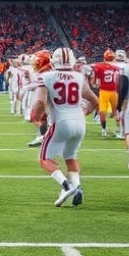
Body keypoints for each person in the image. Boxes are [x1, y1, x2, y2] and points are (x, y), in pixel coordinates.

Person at [31, 47, 98, 207]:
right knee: (70, 157)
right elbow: (95, 101)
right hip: (79, 123)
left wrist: (37, 116)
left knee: (45, 159)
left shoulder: (47, 76)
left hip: (61, 122)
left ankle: (66, 186)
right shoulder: (79, 77)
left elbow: (40, 102)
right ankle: (77, 186)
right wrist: (84, 111)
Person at [92, 49, 121, 139]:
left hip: (104, 91)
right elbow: (118, 81)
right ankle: (119, 129)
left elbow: (94, 81)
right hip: (114, 92)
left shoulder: (99, 66)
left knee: (102, 112)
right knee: (116, 112)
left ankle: (104, 131)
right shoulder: (117, 67)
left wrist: (95, 84)